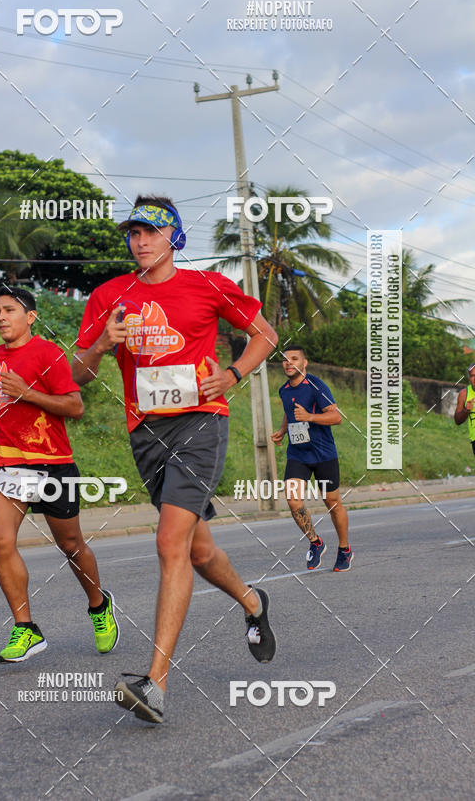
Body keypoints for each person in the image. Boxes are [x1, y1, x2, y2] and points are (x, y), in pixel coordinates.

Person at [72, 196, 278, 724]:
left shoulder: (207, 286)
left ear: (174, 238)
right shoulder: (109, 296)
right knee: (198, 551)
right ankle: (253, 602)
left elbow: (265, 335)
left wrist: (232, 375)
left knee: (169, 544)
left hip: (201, 424)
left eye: (152, 231)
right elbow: (77, 377)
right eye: (134, 232)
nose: (140, 241)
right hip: (146, 434)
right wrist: (101, 345)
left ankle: (155, 684)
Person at [0, 287, 118, 663]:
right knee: (0, 540)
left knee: (71, 544)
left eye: (10, 310)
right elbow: (5, 403)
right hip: (8, 462)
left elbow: (74, 406)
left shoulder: (48, 353)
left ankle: (99, 605)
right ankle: (26, 627)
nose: (1, 317)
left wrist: (27, 393)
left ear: (31, 317)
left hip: (52, 462)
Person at [271, 345, 352, 572]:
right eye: (285, 359)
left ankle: (344, 549)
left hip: (323, 453)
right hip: (298, 454)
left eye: (294, 358)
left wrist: (310, 417)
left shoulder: (316, 386)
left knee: (332, 504)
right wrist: (282, 431)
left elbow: (336, 417)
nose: (288, 363)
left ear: (304, 363)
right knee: (293, 500)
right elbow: (290, 412)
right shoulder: (284, 390)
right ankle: (316, 542)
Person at [453, 362, 475, 454]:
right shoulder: (464, 394)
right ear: (469, 378)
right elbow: (457, 420)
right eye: (473, 376)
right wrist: (466, 410)